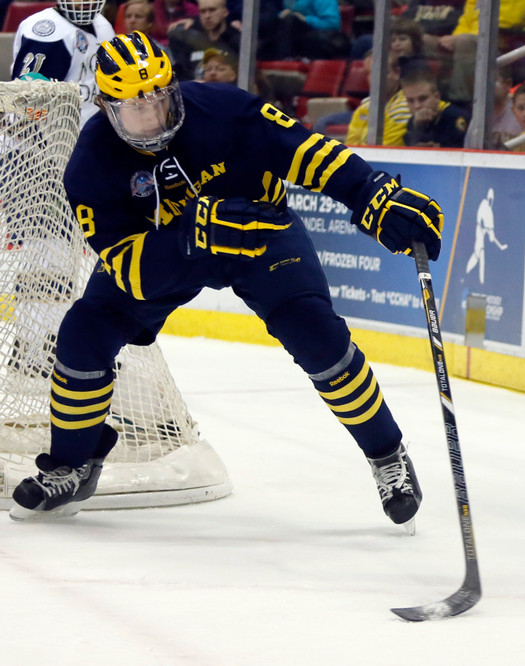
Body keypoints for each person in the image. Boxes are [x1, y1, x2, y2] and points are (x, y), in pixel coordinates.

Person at [9, 32, 444, 528]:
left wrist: (369, 193)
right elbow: (128, 270)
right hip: (169, 256)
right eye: (135, 109)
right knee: (84, 332)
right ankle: (71, 462)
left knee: (318, 336)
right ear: (107, 108)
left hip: (260, 236)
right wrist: (189, 238)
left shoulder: (224, 108)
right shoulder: (91, 164)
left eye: (161, 101)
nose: (154, 121)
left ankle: (387, 455)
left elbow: (307, 151)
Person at [10, 0, 115, 128]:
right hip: (49, 136)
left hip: (90, 132)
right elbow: (28, 100)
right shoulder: (46, 30)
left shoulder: (104, 25)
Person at [167, 0, 240, 81]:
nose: (207, 16)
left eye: (212, 10)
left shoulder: (236, 40)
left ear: (225, 12)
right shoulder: (188, 40)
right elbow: (180, 73)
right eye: (203, 11)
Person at [401, 65, 468, 148]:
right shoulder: (413, 122)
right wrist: (418, 127)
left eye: (422, 99)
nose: (417, 106)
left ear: (437, 97)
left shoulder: (455, 118)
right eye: (411, 101)